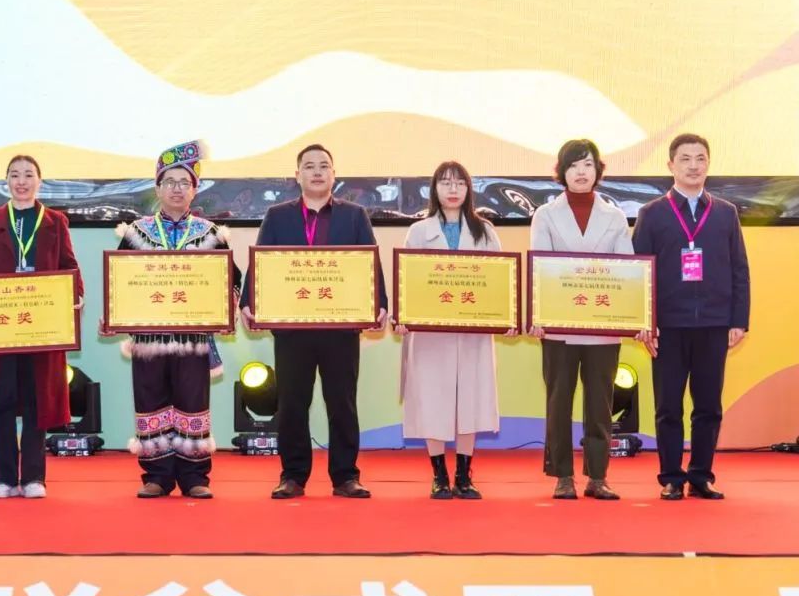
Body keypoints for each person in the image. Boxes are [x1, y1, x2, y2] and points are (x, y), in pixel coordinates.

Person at [240, 144, 388, 499]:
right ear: (298, 175)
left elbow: (370, 263)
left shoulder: (354, 216)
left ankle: (345, 476)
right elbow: (262, 263)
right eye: (309, 166)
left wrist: (379, 304)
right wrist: (248, 302)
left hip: (341, 329)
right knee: (292, 404)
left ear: (334, 174)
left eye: (324, 166)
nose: (317, 172)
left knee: (342, 404)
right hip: (293, 330)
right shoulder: (277, 216)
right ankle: (292, 476)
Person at [109, 141, 240, 499]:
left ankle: (195, 477)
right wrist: (113, 314)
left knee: (192, 402)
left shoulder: (211, 234)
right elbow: (118, 280)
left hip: (192, 339)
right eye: (169, 182)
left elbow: (232, 279)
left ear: (195, 189)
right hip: (148, 340)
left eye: (184, 182)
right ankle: (157, 476)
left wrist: (226, 309)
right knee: (151, 400)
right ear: (157, 189)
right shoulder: (136, 233)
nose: (177, 189)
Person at [632, 133, 750, 500]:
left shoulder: (726, 213)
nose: (694, 166)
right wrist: (644, 323)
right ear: (671, 165)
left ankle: (701, 475)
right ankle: (671, 477)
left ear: (708, 165)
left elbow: (739, 270)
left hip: (714, 324)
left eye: (700, 159)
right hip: (668, 326)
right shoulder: (652, 214)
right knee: (668, 406)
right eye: (685, 159)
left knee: (708, 406)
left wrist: (738, 320)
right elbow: (639, 273)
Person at [394, 161, 516, 499]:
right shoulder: (419, 231)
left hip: (472, 333)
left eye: (459, 183)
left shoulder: (485, 231)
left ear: (468, 189)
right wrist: (402, 314)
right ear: (434, 189)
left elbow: (499, 283)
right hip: (430, 336)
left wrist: (506, 317)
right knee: (432, 399)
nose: (452, 189)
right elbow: (408, 280)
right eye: (445, 183)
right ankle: (439, 475)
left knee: (470, 400)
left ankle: (463, 475)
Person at [0, 155, 83, 499]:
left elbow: (69, 265)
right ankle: (3, 478)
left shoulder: (55, 221)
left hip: (41, 324)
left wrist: (76, 294)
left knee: (38, 398)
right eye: (15, 175)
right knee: (2, 398)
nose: (22, 181)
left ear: (39, 181)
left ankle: (34, 477)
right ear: (6, 181)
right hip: (2, 326)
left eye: (29, 175)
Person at [529, 139, 632, 501]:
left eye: (588, 164)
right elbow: (539, 268)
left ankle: (598, 476)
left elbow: (627, 271)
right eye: (573, 165)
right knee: (558, 401)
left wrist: (631, 315)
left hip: (603, 327)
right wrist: (537, 314)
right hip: (558, 326)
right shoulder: (545, 215)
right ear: (562, 171)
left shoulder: (615, 217)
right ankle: (562, 476)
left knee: (600, 404)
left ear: (598, 170)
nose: (581, 172)